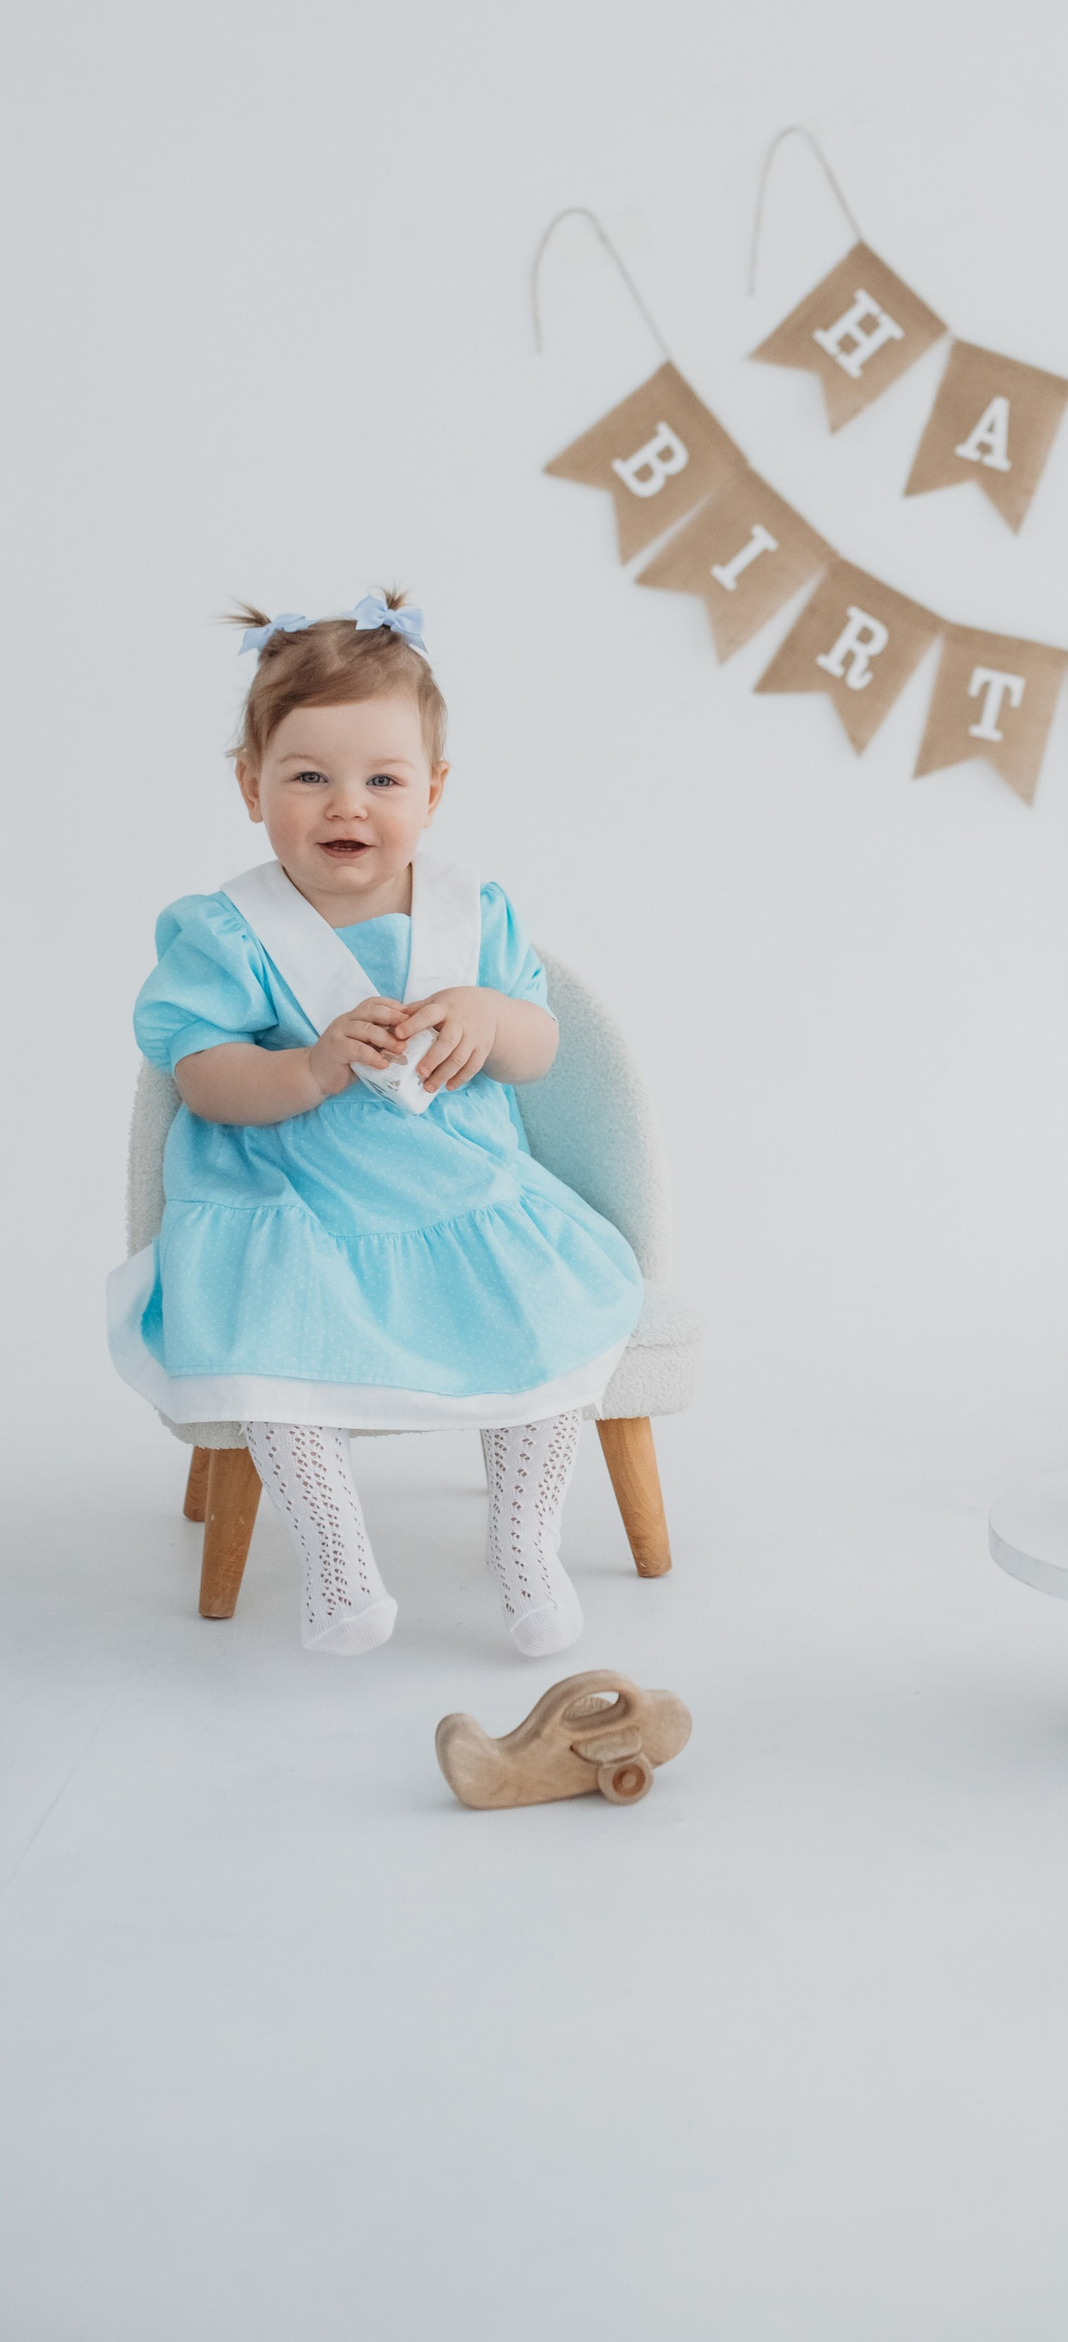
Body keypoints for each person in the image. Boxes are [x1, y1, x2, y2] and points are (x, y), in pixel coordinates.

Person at [108, 590, 645, 1658]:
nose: (345, 806)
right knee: (273, 1343)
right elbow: (201, 1076)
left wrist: (489, 1018)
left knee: (553, 1320)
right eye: (308, 777)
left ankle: (524, 1542)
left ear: (433, 791)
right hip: (295, 1197)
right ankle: (338, 1559)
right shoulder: (232, 931)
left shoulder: (469, 915)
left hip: (456, 1188)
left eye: (383, 781)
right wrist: (307, 1066)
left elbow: (540, 1048)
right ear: (251, 784)